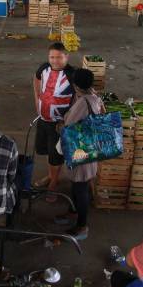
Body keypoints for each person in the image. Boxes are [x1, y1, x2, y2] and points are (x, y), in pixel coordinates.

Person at [54, 68, 104, 241]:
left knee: (80, 187)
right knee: (77, 185)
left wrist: (59, 125)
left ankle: (82, 226)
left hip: (81, 153)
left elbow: (68, 125)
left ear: (75, 85)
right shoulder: (93, 96)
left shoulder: (83, 103)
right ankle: (73, 212)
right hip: (90, 149)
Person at [33, 42, 75, 199]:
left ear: (66, 56)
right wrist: (37, 99)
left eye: (59, 57)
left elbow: (85, 95)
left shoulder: (72, 74)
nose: (55, 61)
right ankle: (51, 175)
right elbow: (36, 79)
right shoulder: (44, 68)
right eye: (52, 57)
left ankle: (54, 183)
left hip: (59, 125)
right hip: (43, 119)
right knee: (46, 150)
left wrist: (70, 118)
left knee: (56, 155)